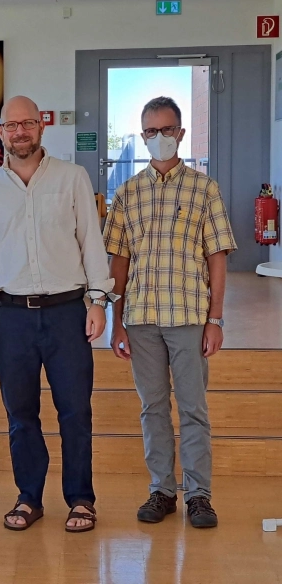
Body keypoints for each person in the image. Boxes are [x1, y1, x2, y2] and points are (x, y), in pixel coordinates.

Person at [0, 95, 113, 533]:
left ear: (41, 127)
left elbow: (92, 241)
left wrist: (97, 301)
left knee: (75, 411)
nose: (20, 131)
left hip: (67, 311)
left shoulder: (72, 178)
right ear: (1, 133)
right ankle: (29, 497)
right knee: (20, 415)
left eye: (28, 123)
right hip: (10, 316)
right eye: (11, 125)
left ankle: (81, 499)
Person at [103, 96, 236, 529]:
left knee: (193, 408)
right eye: (150, 131)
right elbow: (118, 262)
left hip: (189, 317)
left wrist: (215, 320)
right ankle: (161, 489)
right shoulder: (126, 193)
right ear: (142, 136)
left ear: (180, 133)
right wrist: (116, 320)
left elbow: (217, 255)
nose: (158, 138)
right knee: (153, 407)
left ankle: (200, 494)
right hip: (141, 319)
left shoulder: (204, 188)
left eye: (166, 130)